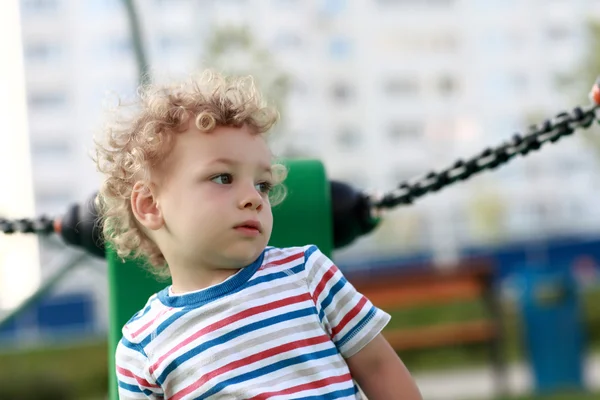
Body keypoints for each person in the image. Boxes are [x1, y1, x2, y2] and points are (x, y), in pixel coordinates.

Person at [94, 70, 422, 400]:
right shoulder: (143, 344)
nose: (253, 197)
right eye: (223, 178)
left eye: (262, 184)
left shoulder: (306, 275)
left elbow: (379, 367)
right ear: (150, 204)